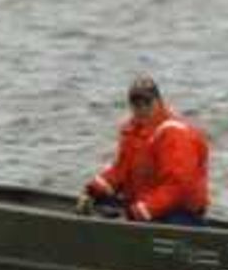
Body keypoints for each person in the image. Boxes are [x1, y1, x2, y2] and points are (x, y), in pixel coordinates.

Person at [82, 76, 212, 225]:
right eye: (136, 104)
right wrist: (93, 191)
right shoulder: (134, 131)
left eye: (147, 103)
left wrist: (140, 211)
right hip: (148, 206)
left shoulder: (174, 134)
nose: (142, 109)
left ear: (159, 102)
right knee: (97, 203)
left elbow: (177, 188)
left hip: (179, 213)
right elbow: (120, 171)